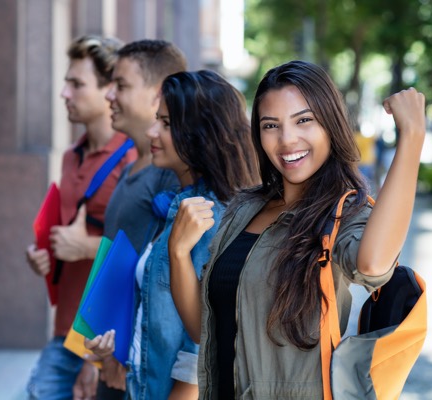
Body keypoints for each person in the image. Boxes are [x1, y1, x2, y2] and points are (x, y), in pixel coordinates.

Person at [168, 60, 426, 399]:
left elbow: (373, 266)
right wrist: (178, 253)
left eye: (303, 120)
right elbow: (204, 328)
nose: (287, 140)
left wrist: (412, 137)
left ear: (330, 125)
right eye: (270, 125)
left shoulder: (343, 213)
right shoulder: (244, 209)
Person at [85, 70, 259, 399]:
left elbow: (200, 347)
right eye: (157, 120)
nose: (152, 132)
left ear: (199, 135)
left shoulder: (206, 216)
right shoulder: (176, 206)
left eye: (166, 124)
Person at [25, 35, 136, 400]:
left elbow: (143, 248)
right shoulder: (71, 155)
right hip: (65, 327)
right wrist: (47, 252)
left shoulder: (134, 157)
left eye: (76, 84)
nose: (64, 93)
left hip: (104, 337)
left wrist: (85, 246)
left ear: (109, 90)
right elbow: (69, 231)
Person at [94, 39, 187, 400]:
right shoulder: (132, 166)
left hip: (137, 367)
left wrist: (124, 357)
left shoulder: (172, 174)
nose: (110, 96)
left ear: (159, 94)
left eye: (121, 85)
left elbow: (162, 280)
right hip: (109, 355)